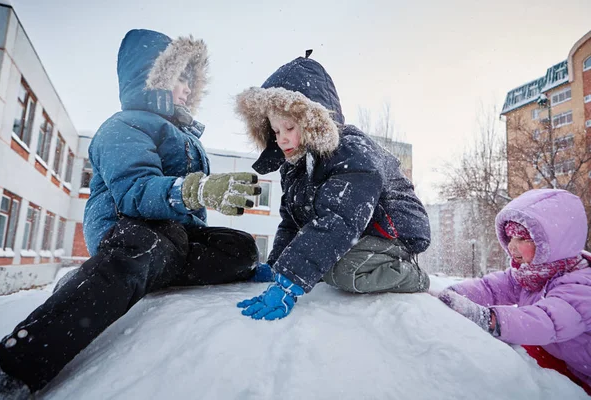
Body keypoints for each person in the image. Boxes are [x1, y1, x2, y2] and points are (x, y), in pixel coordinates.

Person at [0, 29, 261, 398]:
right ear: (153, 77)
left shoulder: (189, 138)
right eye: (178, 78)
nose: (185, 89)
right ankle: (13, 365)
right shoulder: (124, 126)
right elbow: (135, 191)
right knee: (145, 246)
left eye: (189, 81)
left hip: (174, 239)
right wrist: (193, 189)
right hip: (128, 228)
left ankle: (131, 279)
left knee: (239, 247)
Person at [234, 52, 431, 321]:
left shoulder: (352, 152)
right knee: (327, 265)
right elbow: (292, 223)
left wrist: (289, 282)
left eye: (289, 127)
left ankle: (412, 275)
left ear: (312, 120)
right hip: (358, 233)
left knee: (343, 271)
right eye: (275, 132)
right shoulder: (295, 166)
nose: (281, 139)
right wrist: (277, 265)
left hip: (393, 233)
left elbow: (339, 219)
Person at [437, 189, 591, 395]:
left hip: (585, 376)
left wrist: (488, 318)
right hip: (560, 358)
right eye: (510, 238)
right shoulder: (531, 274)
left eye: (521, 239)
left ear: (553, 243)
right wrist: (449, 295)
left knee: (516, 342)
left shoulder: (581, 286)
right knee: (509, 352)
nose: (512, 247)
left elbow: (545, 321)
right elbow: (490, 288)